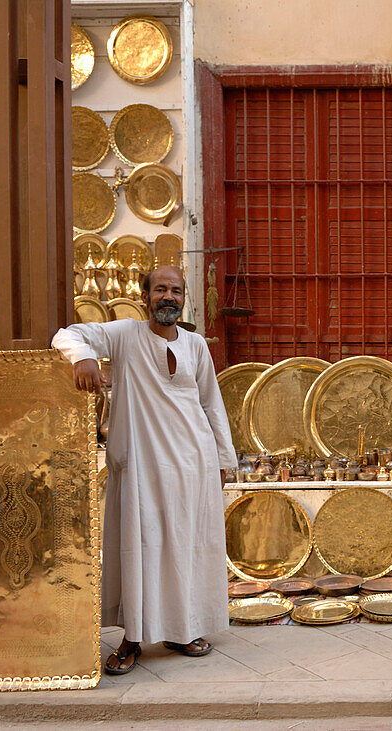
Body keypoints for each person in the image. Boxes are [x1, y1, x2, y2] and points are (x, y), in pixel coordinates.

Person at [52, 265, 236, 675]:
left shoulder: (195, 345)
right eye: (160, 290)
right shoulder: (123, 334)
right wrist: (83, 358)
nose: (168, 297)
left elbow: (211, 403)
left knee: (186, 547)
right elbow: (67, 333)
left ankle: (182, 629)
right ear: (145, 296)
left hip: (193, 464)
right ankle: (132, 639)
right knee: (140, 549)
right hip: (141, 466)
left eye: (176, 290)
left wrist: (223, 460)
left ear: (184, 298)